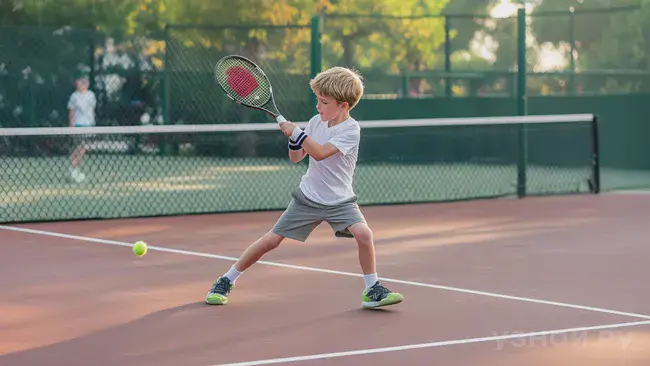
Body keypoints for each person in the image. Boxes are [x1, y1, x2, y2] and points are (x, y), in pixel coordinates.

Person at [206, 67, 404, 309]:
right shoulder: (314, 122)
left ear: (343, 105)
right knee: (271, 241)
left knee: (364, 235)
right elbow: (297, 157)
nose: (318, 107)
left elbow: (320, 153)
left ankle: (372, 289)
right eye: (317, 100)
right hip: (307, 198)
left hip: (340, 201)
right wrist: (294, 138)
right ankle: (226, 280)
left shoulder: (350, 129)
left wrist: (298, 133)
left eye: (323, 102)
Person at [67, 76, 97, 183]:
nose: (81, 85)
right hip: (78, 125)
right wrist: (71, 125)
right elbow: (71, 112)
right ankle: (73, 168)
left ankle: (73, 166)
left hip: (88, 125)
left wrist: (92, 123)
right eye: (79, 83)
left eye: (83, 83)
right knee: (81, 148)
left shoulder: (91, 95)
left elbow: (92, 110)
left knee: (83, 148)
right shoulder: (74, 96)